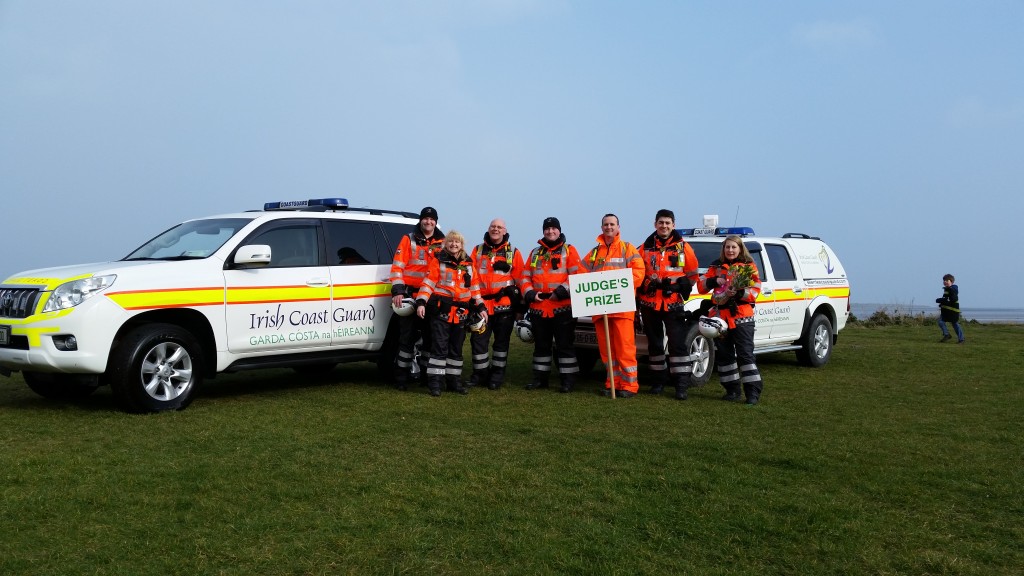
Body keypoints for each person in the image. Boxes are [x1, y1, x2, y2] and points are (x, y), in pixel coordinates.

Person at [637, 209, 700, 400]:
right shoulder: (644, 248)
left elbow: (693, 274)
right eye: (661, 222)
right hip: (650, 303)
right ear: (655, 224)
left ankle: (681, 385)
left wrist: (682, 286)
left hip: (673, 303)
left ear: (673, 225)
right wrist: (648, 283)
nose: (664, 226)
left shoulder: (683, 248)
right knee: (655, 345)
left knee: (677, 346)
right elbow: (637, 274)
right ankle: (658, 382)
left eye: (667, 223)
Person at [415, 231, 486, 397]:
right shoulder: (438, 261)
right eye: (451, 242)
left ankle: (454, 382)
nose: (454, 244)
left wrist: (481, 307)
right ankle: (435, 384)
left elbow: (474, 288)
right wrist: (421, 302)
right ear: (445, 244)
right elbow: (428, 283)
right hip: (442, 312)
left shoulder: (469, 264)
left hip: (461, 313)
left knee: (456, 350)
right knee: (439, 348)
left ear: (462, 245)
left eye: (457, 242)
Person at [581, 214, 645, 398]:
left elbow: (639, 273)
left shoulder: (627, 249)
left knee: (625, 349)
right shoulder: (594, 252)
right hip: (600, 310)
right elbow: (581, 272)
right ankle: (612, 384)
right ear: (601, 227)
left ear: (618, 226)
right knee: (607, 351)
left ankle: (629, 386)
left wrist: (618, 287)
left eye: (612, 224)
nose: (609, 227)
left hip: (622, 309)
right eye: (606, 224)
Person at [698, 235, 763, 405]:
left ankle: (752, 393)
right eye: (727, 247)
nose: (730, 250)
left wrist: (739, 293)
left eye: (734, 247)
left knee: (745, 356)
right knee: (725, 357)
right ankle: (732, 390)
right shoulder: (716, 266)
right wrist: (714, 280)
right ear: (723, 249)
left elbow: (755, 290)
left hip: (742, 316)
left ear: (740, 248)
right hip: (720, 318)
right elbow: (701, 285)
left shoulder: (749, 267)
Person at [520, 217, 582, 393]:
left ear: (559, 230)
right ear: (543, 231)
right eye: (547, 229)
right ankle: (540, 379)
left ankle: (568, 381)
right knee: (541, 346)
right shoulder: (534, 253)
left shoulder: (569, 250)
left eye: (554, 228)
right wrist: (530, 293)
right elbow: (525, 276)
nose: (550, 231)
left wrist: (561, 291)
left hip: (563, 307)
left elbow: (577, 275)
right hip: (539, 308)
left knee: (565, 346)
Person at [389, 206, 445, 390]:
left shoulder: (443, 241)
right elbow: (397, 266)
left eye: (432, 219)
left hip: (431, 297)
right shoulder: (408, 239)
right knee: (406, 338)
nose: (428, 222)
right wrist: (398, 290)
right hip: (410, 295)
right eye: (425, 218)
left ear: (436, 222)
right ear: (421, 220)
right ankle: (400, 379)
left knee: (430, 339)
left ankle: (426, 377)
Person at [469, 219, 525, 389]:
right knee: (478, 341)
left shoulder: (513, 252)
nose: (496, 229)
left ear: (504, 230)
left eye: (499, 227)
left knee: (501, 343)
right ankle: (480, 374)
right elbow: (470, 275)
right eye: (493, 226)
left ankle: (497, 375)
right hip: (482, 305)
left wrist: (521, 308)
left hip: (505, 306)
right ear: (488, 228)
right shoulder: (477, 251)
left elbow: (521, 280)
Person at [936, 273, 964, 343]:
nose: (945, 282)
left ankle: (961, 339)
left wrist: (943, 300)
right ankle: (947, 334)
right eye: (944, 280)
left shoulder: (953, 289)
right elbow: (946, 299)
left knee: (955, 324)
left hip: (953, 311)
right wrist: (941, 303)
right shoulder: (947, 289)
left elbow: (953, 299)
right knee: (940, 321)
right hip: (946, 311)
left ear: (951, 281)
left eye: (947, 280)